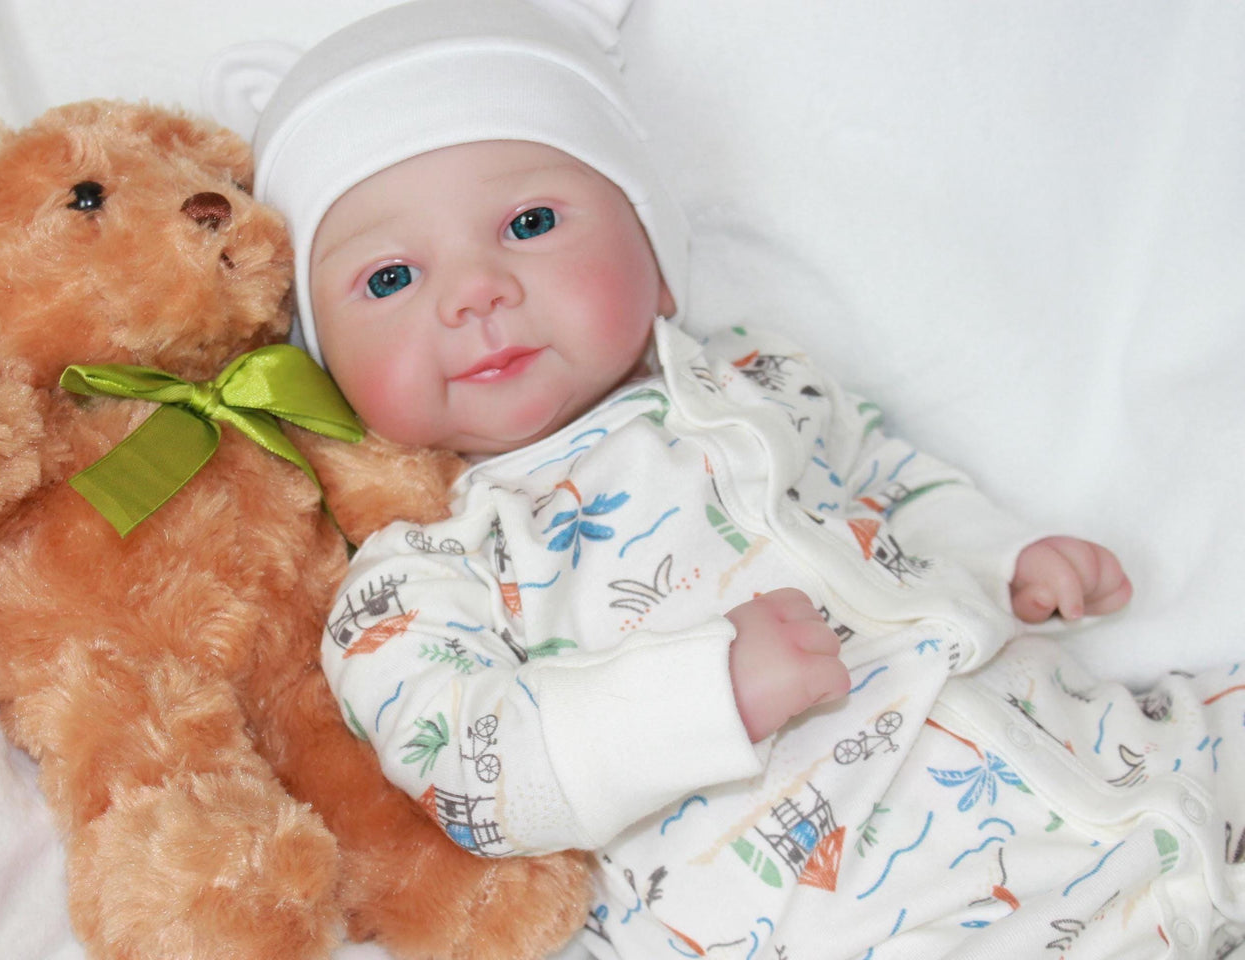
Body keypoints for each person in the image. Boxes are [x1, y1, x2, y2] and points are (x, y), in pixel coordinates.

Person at [251, 1, 1244, 956]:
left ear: (656, 257)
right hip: (913, 917)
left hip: (1120, 756)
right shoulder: (415, 577)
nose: (476, 292)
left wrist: (1008, 557)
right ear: (322, 362)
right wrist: (703, 695)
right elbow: (473, 775)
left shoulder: (754, 379)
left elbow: (889, 476)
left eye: (530, 222)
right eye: (390, 278)